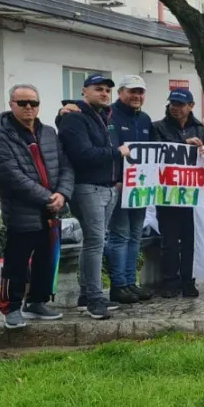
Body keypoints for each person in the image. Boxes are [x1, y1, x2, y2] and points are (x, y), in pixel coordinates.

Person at [0, 85, 73, 329]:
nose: (28, 107)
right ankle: (11, 308)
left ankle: (37, 301)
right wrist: (48, 197)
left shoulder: (48, 133)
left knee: (46, 259)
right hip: (22, 211)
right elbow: (10, 177)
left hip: (52, 210)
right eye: (23, 102)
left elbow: (66, 165)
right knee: (16, 262)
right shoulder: (1, 137)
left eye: (33, 103)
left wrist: (63, 194)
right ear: (11, 104)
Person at [57, 73, 125, 320]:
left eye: (107, 90)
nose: (104, 93)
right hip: (87, 188)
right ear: (84, 91)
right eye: (98, 89)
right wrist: (116, 152)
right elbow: (82, 154)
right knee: (96, 243)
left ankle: (87, 294)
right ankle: (95, 299)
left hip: (107, 187)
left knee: (95, 242)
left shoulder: (105, 117)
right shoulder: (74, 117)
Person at [151, 88, 204, 299]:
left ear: (191, 106)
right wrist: (183, 145)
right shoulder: (157, 127)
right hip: (167, 194)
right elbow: (155, 151)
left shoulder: (201, 130)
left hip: (192, 195)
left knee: (190, 241)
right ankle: (170, 281)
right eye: (172, 103)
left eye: (180, 104)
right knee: (169, 241)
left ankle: (188, 280)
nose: (175, 108)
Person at [103, 75, 154, 305]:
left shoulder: (144, 119)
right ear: (120, 92)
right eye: (132, 91)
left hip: (139, 188)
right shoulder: (109, 115)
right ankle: (118, 285)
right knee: (120, 235)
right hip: (119, 186)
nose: (136, 96)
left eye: (140, 92)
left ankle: (130, 282)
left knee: (135, 236)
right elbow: (111, 150)